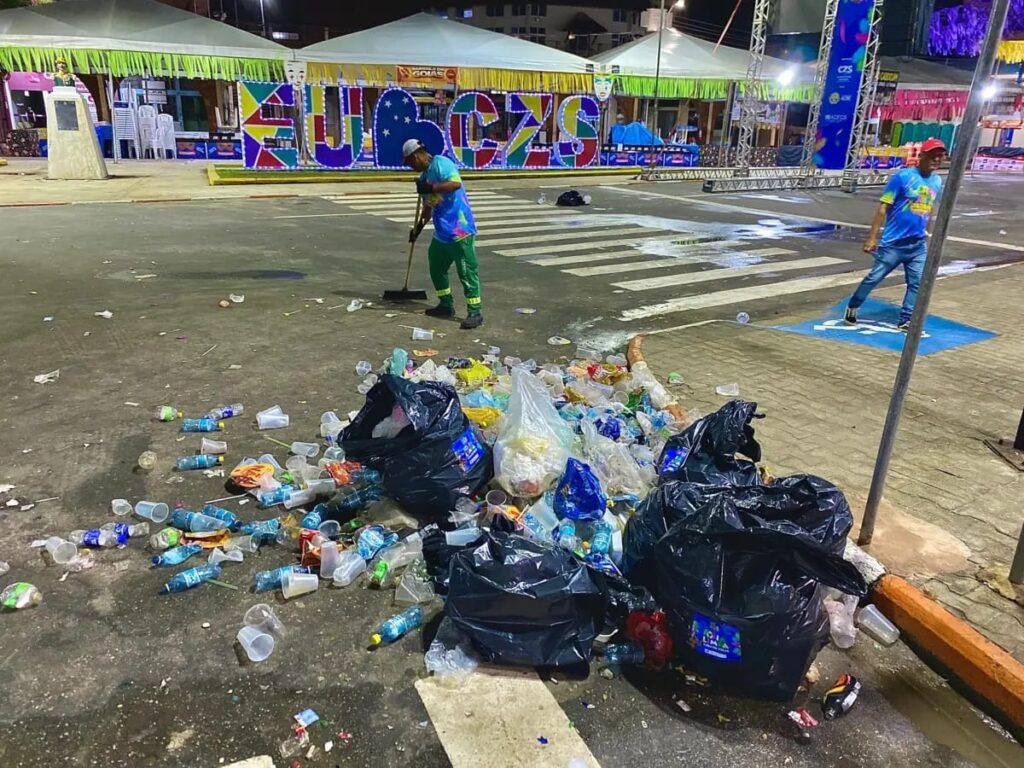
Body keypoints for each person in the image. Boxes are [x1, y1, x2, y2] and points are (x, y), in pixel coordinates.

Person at [844, 137, 946, 330]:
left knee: (917, 283)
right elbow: (883, 208)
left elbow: (929, 208)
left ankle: (906, 318)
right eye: (933, 155)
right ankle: (853, 305)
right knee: (874, 278)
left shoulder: (937, 181)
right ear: (922, 155)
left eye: (940, 156)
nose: (937, 159)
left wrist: (927, 231)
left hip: (917, 245)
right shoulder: (902, 177)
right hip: (893, 244)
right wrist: (872, 238)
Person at [403, 139, 483, 329]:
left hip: (460, 230)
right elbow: (428, 207)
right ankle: (446, 304)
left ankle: (475, 311)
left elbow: (454, 184)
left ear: (417, 156)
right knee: (436, 268)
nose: (410, 166)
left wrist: (430, 187)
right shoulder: (424, 178)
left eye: (409, 162)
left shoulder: (441, 163)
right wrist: (418, 228)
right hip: (442, 233)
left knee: (466, 272)